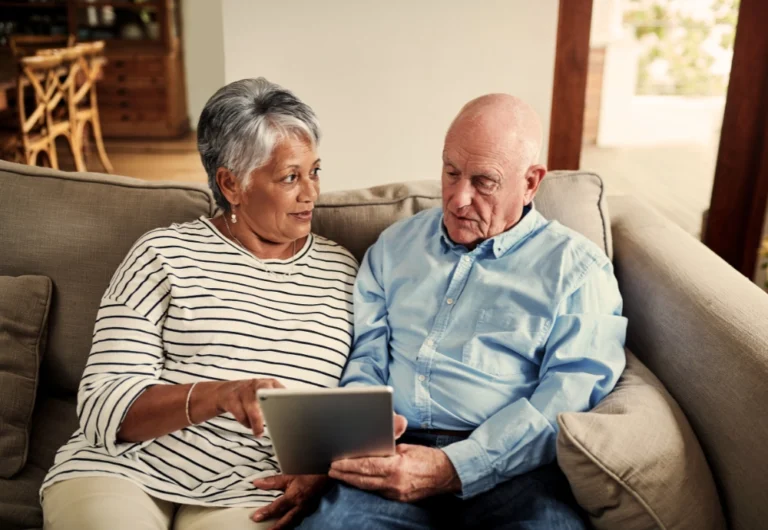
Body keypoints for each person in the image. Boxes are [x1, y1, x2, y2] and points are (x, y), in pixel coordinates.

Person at [294, 94, 628, 529]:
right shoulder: (394, 247)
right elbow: (367, 356)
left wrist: (455, 467)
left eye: (484, 182)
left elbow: (569, 398)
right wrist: (358, 436)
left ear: (530, 183)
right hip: (393, 454)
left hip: (514, 469)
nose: (457, 199)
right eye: (451, 172)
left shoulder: (577, 270)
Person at [40, 78, 360, 530]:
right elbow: (103, 404)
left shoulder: (343, 270)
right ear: (231, 184)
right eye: (290, 177)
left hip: (254, 486)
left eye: (315, 171)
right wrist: (219, 395)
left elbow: (364, 394)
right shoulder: (162, 253)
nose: (311, 193)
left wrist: (324, 467)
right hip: (121, 469)